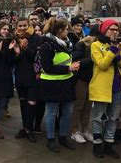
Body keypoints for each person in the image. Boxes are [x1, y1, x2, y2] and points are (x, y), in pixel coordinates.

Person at [90, 19, 121, 159]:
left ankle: (108, 145)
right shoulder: (96, 45)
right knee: (98, 118)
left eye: (116, 29)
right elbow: (102, 64)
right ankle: (97, 144)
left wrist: (118, 56)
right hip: (102, 88)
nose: (115, 32)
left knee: (113, 118)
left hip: (118, 89)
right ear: (104, 30)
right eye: (111, 29)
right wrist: (113, 51)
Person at [39, 17, 79, 153]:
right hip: (52, 83)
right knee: (51, 112)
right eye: (67, 29)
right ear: (60, 30)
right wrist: (68, 68)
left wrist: (72, 68)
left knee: (67, 112)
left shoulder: (67, 44)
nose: (68, 31)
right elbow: (47, 67)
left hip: (67, 82)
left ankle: (63, 137)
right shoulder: (46, 45)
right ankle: (51, 139)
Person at [70, 24, 99, 144]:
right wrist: (92, 58)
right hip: (81, 79)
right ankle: (74, 131)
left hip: (92, 79)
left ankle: (85, 129)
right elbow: (76, 61)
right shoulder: (82, 44)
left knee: (87, 107)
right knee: (79, 106)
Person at [13, 17, 41, 143]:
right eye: (20, 26)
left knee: (32, 104)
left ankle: (30, 129)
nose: (22, 28)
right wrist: (17, 54)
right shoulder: (15, 39)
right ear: (16, 26)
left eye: (25, 25)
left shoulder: (35, 38)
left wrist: (25, 48)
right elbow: (12, 60)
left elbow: (36, 56)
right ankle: (25, 128)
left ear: (28, 25)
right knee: (23, 104)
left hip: (33, 77)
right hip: (20, 76)